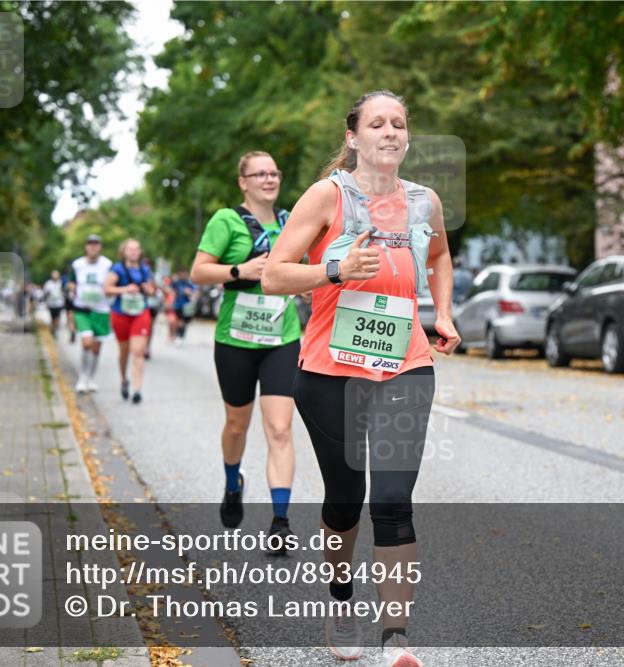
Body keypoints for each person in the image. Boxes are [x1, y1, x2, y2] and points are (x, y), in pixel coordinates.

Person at [261, 90, 460, 667]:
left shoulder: (424, 202)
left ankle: (395, 636)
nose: (390, 132)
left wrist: (441, 311)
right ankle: (342, 595)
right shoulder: (328, 196)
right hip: (330, 370)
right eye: (377, 123)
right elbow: (274, 275)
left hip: (407, 363)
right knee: (345, 501)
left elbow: (441, 256)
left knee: (393, 500)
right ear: (354, 136)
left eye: (399, 123)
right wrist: (335, 269)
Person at [190, 151, 300, 550]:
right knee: (237, 425)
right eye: (260, 174)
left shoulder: (291, 222)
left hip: (282, 339)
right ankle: (232, 480)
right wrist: (241, 271)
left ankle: (281, 521)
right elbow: (199, 271)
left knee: (280, 428)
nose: (269, 179)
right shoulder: (226, 220)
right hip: (235, 340)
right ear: (243, 182)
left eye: (274, 172)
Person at [104, 239, 156, 404]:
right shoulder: (117, 268)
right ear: (124, 252)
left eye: (136, 249)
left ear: (140, 252)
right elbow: (107, 289)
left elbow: (152, 291)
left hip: (141, 313)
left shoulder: (145, 269)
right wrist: (125, 289)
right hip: (121, 314)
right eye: (130, 249)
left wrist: (149, 290)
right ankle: (124, 380)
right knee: (124, 352)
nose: (133, 252)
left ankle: (137, 388)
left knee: (138, 351)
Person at [69, 234, 113, 393]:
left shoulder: (108, 265)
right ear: (86, 247)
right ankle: (82, 377)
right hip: (82, 309)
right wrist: (71, 287)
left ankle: (91, 378)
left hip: (101, 309)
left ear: (100, 247)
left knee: (96, 347)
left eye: (96, 244)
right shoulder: (77, 265)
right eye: (90, 244)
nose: (93, 247)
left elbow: (113, 283)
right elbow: (71, 281)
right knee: (86, 342)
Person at [170, 268, 197, 343]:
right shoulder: (176, 283)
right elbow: (171, 290)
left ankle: (180, 336)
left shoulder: (188, 283)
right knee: (177, 321)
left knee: (183, 322)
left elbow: (195, 292)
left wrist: (190, 292)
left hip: (186, 306)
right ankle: (176, 335)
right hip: (177, 304)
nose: (182, 275)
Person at [143, 258, 161, 360]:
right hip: (140, 305)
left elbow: (158, 289)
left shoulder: (154, 276)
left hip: (152, 305)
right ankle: (142, 346)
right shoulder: (137, 273)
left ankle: (147, 347)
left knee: (149, 327)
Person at [43, 270, 66, 337]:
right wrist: (46, 301)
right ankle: (53, 329)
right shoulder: (48, 283)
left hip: (59, 303)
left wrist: (64, 302)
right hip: (51, 303)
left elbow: (64, 293)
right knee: (53, 318)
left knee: (58, 317)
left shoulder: (61, 283)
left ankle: (55, 330)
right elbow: (45, 294)